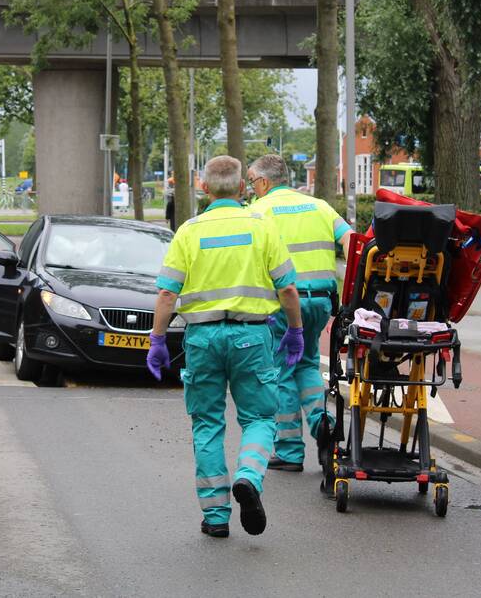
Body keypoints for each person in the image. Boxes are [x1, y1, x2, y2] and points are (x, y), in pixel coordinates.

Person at [147, 155, 305, 539]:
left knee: (207, 424)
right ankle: (249, 476)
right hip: (251, 336)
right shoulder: (261, 226)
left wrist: (156, 340)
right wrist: (296, 330)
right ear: (241, 188)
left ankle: (216, 516)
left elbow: (168, 293)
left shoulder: (188, 231)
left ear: (203, 188)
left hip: (201, 338)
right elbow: (286, 287)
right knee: (259, 418)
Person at [248, 154, 352, 474]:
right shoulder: (320, 206)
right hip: (321, 301)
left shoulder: (257, 211)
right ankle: (323, 423)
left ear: (264, 182)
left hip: (283, 303)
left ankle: (290, 451)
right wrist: (350, 289)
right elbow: (351, 241)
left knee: (280, 371)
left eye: (253, 182)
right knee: (306, 363)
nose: (252, 189)